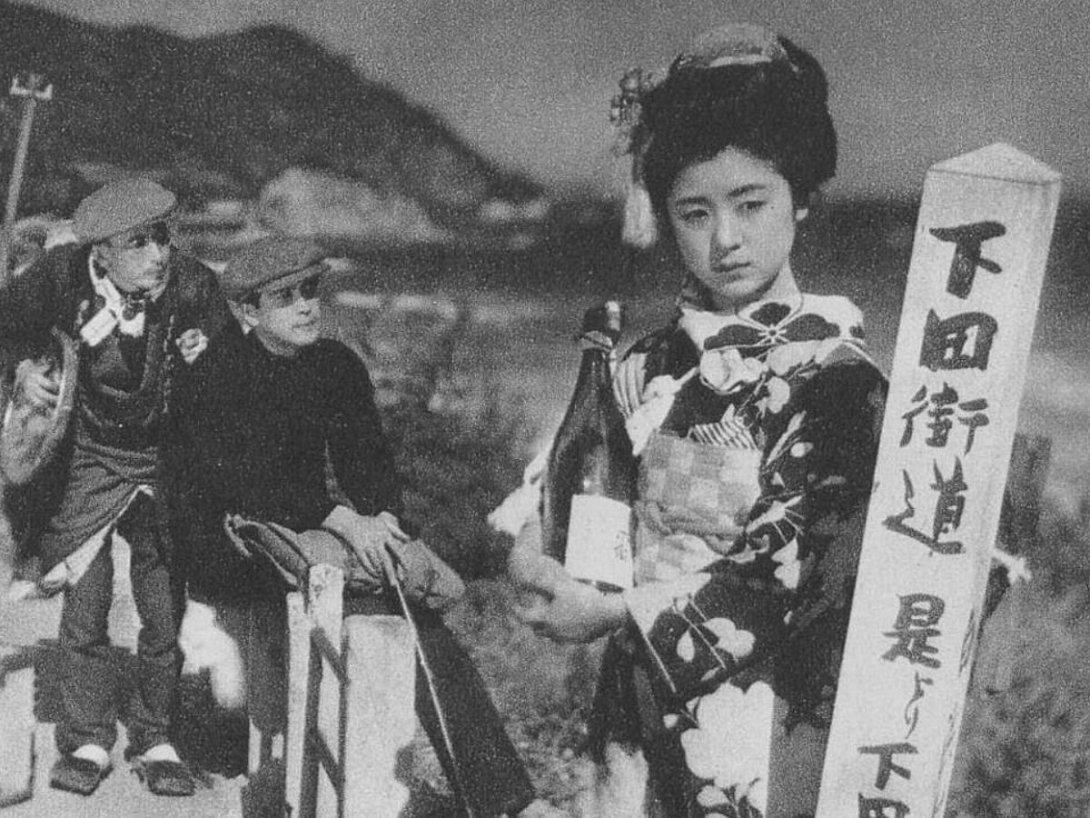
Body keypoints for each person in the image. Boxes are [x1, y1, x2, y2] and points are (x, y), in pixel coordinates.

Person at [509, 23, 887, 818]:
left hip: (759, 724)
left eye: (751, 204)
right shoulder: (649, 365)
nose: (725, 239)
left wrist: (613, 612)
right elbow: (564, 487)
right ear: (662, 216)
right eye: (694, 212)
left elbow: (793, 575)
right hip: (635, 713)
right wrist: (533, 558)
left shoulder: (839, 383)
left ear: (802, 201)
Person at [172, 236, 543, 817]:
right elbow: (245, 485)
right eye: (284, 297)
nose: (305, 306)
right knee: (383, 607)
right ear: (248, 312)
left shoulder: (335, 366)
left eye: (310, 290)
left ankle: (500, 798)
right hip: (225, 542)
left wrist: (384, 520)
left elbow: (367, 461)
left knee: (410, 606)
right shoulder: (219, 373)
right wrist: (345, 521)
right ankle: (481, 798)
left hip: (304, 529)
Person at [0, 177, 230, 797]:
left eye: (162, 236)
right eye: (139, 242)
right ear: (100, 251)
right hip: (87, 456)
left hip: (165, 460)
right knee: (87, 600)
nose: (158, 253)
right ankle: (88, 739)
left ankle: (156, 737)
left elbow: (230, 368)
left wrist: (201, 358)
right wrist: (22, 369)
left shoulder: (194, 285)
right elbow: (6, 322)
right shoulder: (60, 275)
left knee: (161, 606)